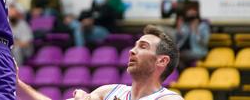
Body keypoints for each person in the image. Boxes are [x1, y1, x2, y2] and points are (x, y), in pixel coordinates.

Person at [17, 25, 183, 100]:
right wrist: (15, 83)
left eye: (143, 47)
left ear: (162, 60)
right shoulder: (108, 91)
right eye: (134, 46)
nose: (132, 51)